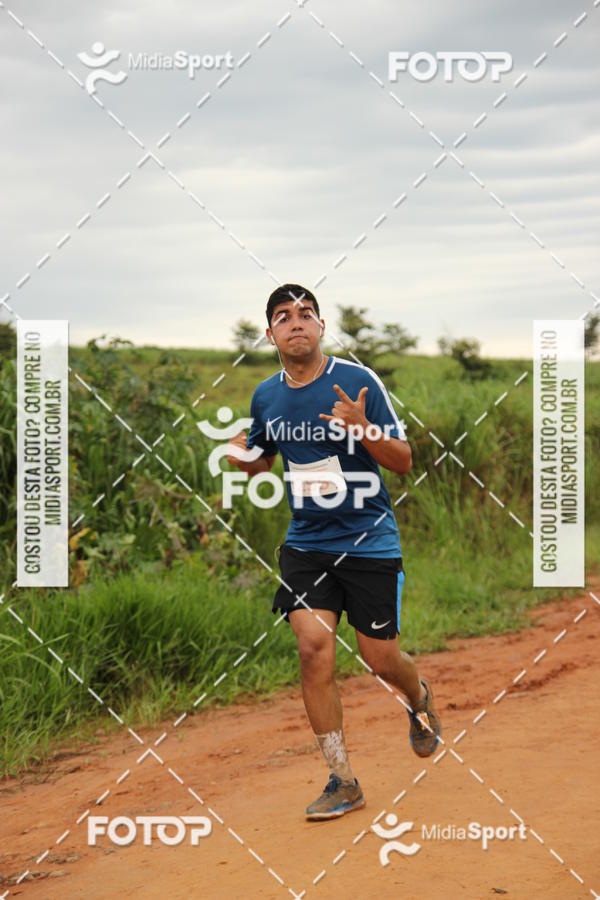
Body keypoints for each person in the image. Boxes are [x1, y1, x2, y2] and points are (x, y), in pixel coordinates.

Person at [226, 284, 441, 820]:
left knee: (379, 657)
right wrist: (243, 459)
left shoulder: (357, 380)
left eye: (306, 314)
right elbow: (263, 460)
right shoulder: (266, 396)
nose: (295, 322)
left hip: (369, 542)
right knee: (313, 648)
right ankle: (342, 779)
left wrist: (361, 426)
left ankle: (418, 698)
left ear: (321, 326)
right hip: (307, 544)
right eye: (283, 316)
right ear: (271, 333)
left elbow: (403, 460)